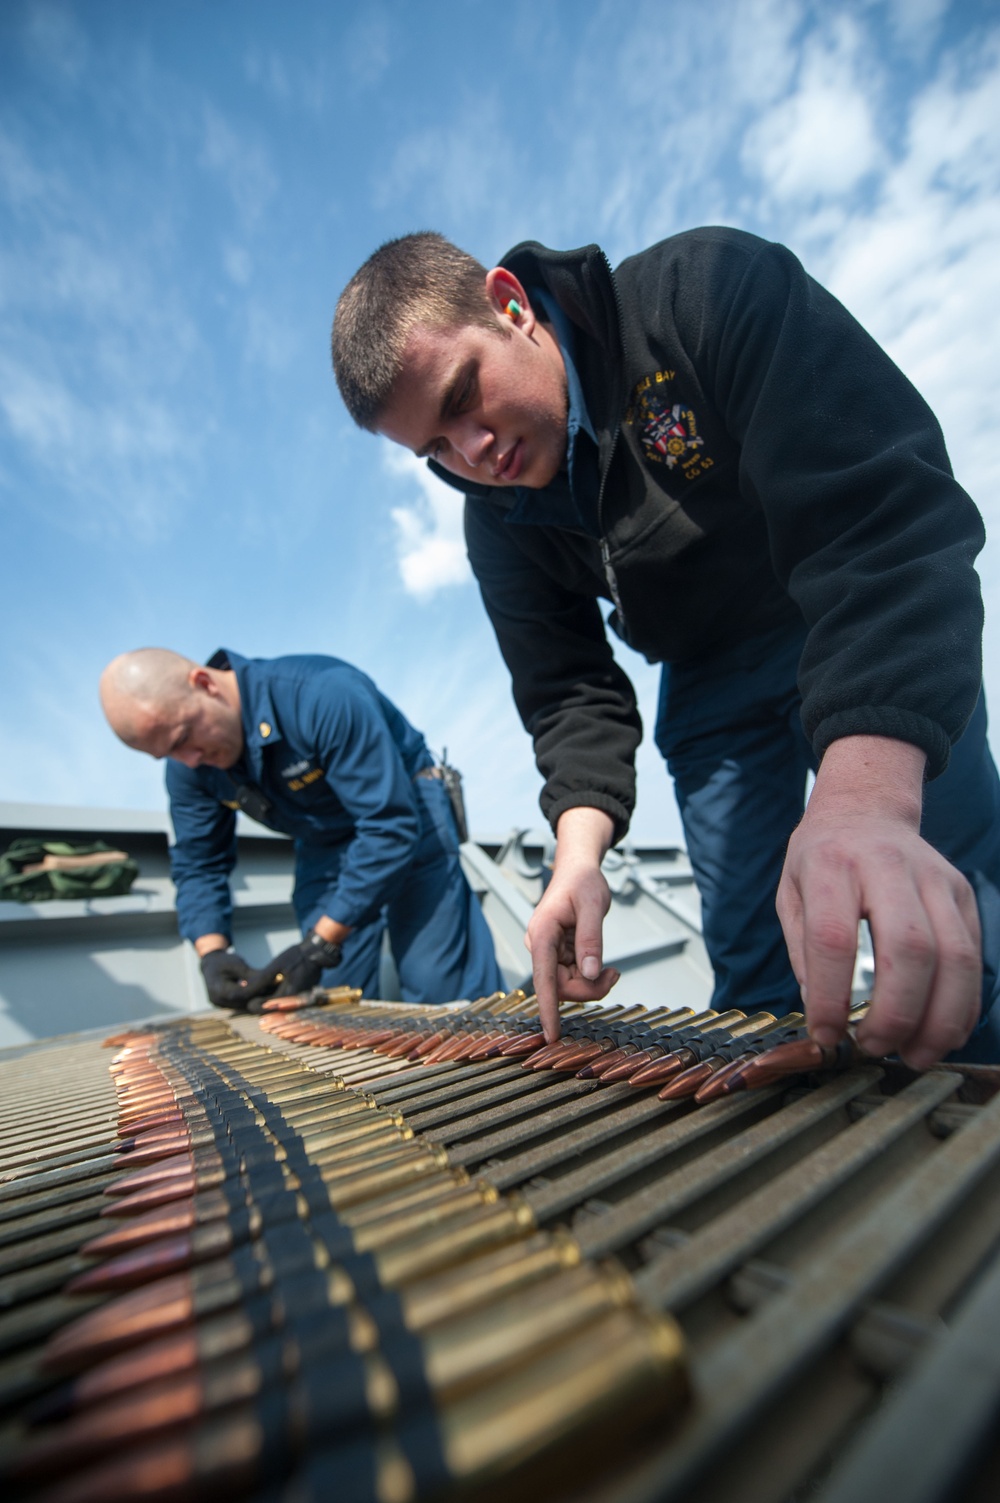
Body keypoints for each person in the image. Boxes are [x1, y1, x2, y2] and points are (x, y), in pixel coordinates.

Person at [331, 228, 1000, 1067]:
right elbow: (568, 687)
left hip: (851, 620)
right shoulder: (493, 515)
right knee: (753, 970)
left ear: (511, 305)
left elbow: (879, 522)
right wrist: (576, 856)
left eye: (464, 396)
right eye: (434, 447)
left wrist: (867, 800)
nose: (472, 454)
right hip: (709, 683)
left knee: (959, 922)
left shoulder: (704, 293)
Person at [99, 647, 503, 1010]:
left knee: (443, 987)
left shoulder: (322, 694)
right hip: (324, 838)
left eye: (184, 737)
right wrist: (212, 953)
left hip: (405, 811)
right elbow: (199, 863)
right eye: (169, 753)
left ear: (204, 684)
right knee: (331, 995)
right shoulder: (190, 766)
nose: (188, 760)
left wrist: (318, 944)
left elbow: (388, 826)